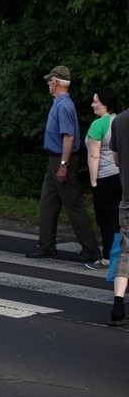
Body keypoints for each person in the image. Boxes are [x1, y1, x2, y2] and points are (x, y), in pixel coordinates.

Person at [25, 66, 100, 262]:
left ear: (57, 82)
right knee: (48, 203)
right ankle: (46, 246)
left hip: (61, 158)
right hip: (55, 158)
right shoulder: (60, 103)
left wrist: (64, 164)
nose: (48, 84)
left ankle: (91, 249)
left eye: (50, 81)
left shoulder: (64, 106)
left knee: (73, 204)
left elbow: (68, 136)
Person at [85, 88, 121, 271]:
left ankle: (108, 258)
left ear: (104, 103)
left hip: (105, 177)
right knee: (122, 218)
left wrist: (93, 181)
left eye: (95, 101)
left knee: (107, 220)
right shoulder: (121, 120)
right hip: (122, 176)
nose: (92, 105)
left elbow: (94, 156)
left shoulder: (98, 125)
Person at [109, 106, 129, 325]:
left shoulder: (120, 120)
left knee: (127, 249)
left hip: (128, 196)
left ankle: (118, 303)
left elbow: (116, 160)